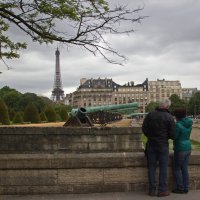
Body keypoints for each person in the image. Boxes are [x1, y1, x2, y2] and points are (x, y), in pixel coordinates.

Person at [142, 99, 176, 197]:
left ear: (159, 105)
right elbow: (173, 135)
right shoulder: (169, 117)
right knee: (163, 168)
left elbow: (144, 129)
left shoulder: (150, 115)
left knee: (151, 168)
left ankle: (152, 190)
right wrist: (165, 137)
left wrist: (151, 136)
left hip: (151, 144)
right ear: (167, 107)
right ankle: (162, 190)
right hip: (163, 145)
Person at [172, 108, 193, 194]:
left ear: (177, 116)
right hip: (188, 147)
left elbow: (175, 137)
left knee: (177, 168)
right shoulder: (189, 123)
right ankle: (185, 187)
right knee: (184, 168)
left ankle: (180, 188)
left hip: (180, 148)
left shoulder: (178, 125)